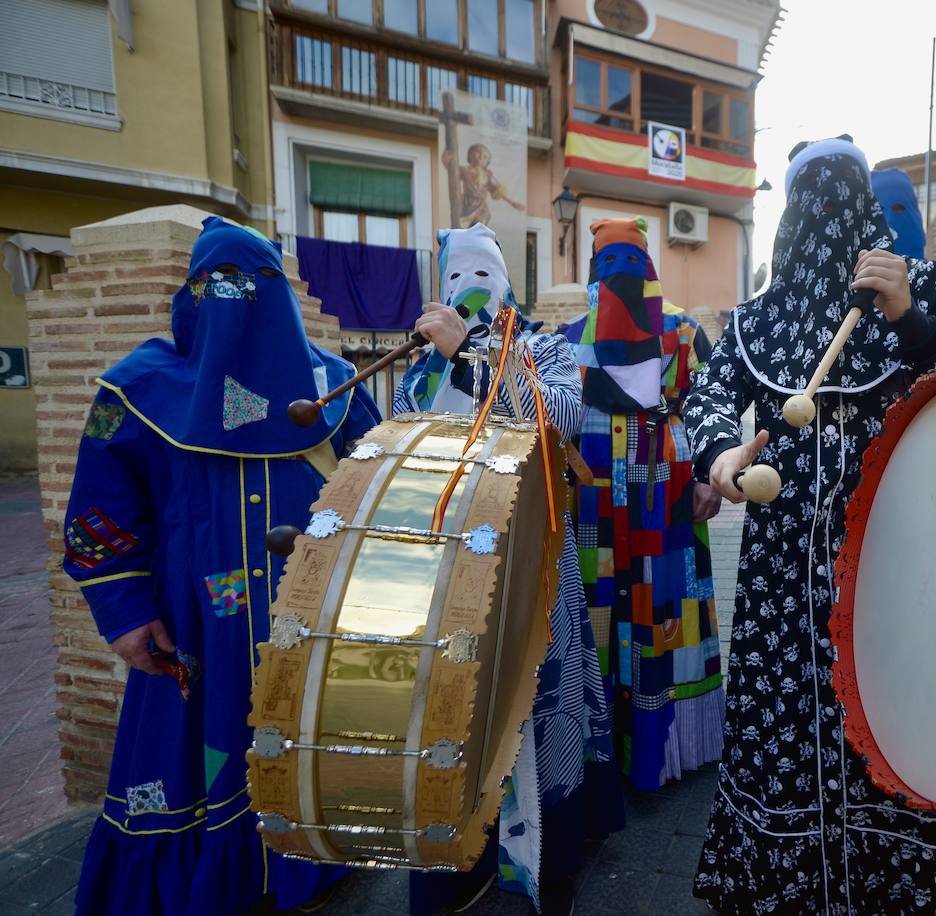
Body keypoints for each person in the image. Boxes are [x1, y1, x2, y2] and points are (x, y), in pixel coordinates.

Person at [683, 136, 936, 914]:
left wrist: (906, 317)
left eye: (842, 195)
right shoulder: (761, 317)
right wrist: (720, 455)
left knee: (899, 717)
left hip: (899, 561)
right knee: (786, 729)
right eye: (811, 198)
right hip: (781, 579)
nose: (826, 216)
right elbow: (708, 394)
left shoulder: (922, 288)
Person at [64, 217, 382, 915]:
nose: (238, 305)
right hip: (196, 630)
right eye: (220, 287)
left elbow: (378, 487)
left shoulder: (333, 387)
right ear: (192, 295)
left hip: (315, 618)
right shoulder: (137, 395)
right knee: (205, 752)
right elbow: (99, 519)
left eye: (256, 285)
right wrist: (125, 615)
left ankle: (307, 863)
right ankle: (215, 880)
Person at [393, 223, 622, 915]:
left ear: (505, 280)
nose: (468, 289)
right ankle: (458, 855)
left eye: (481, 274)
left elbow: (557, 418)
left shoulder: (543, 348)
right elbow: (405, 451)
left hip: (532, 564)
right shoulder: (418, 370)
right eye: (455, 277)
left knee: (539, 710)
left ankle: (546, 859)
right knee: (455, 709)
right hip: (448, 570)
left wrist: (475, 355)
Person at [559, 217, 726, 793]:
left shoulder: (680, 333)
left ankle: (661, 747)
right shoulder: (568, 338)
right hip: (594, 499)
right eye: (609, 261)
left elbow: (708, 404)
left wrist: (708, 474)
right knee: (598, 606)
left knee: (665, 605)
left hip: (667, 494)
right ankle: (599, 746)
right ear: (591, 270)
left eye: (633, 260)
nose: (622, 273)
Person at [455, 143, 525, 228]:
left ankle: (477, 238)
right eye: (478, 152)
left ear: (487, 162)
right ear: (470, 155)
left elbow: (497, 189)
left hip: (481, 207)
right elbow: (452, 172)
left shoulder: (487, 175)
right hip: (467, 203)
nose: (481, 157)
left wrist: (512, 202)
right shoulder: (464, 170)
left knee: (480, 225)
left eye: (485, 156)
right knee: (464, 226)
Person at [871, 166, 926, 260]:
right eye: (880, 210)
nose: (890, 219)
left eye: (898, 209)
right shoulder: (854, 269)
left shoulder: (934, 272)